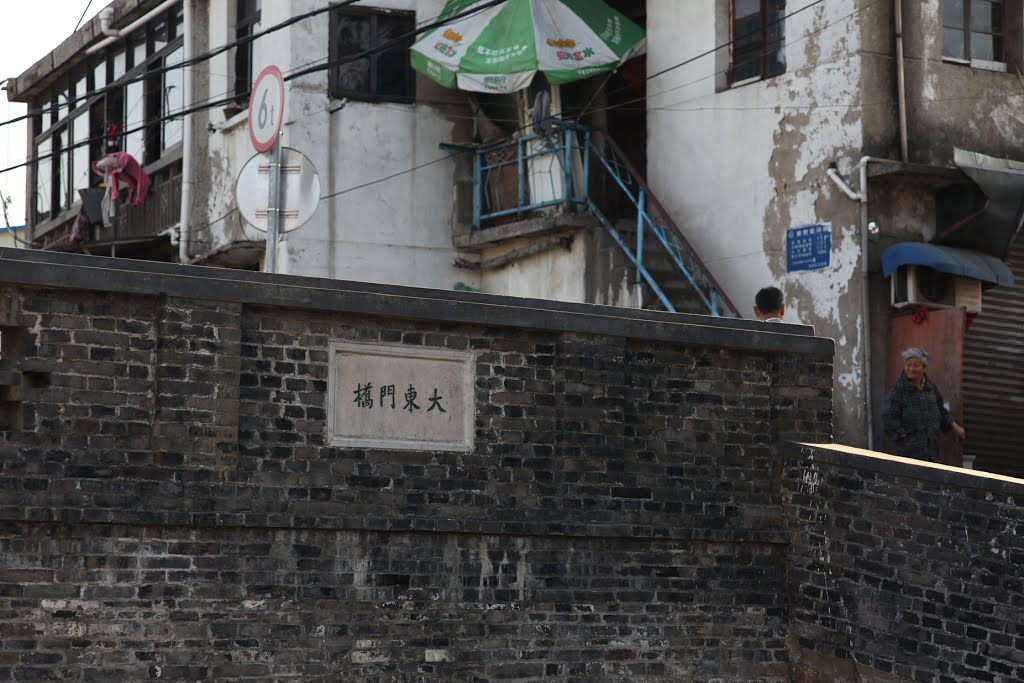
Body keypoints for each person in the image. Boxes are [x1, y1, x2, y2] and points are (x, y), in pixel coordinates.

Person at [882, 347, 966, 463]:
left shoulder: (930, 388)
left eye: (916, 365)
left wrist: (955, 427)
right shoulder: (898, 390)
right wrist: (902, 436)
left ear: (924, 367)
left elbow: (941, 411)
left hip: (932, 449)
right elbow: (888, 416)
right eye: (908, 365)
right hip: (909, 452)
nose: (911, 369)